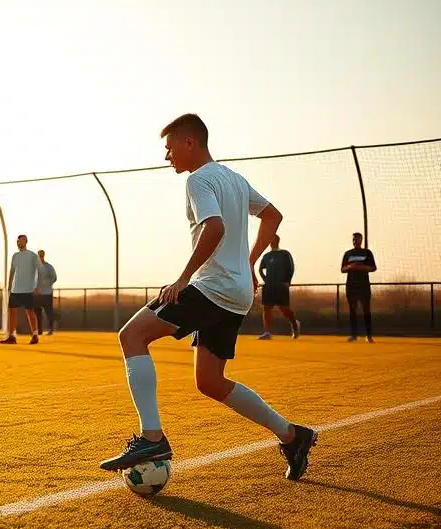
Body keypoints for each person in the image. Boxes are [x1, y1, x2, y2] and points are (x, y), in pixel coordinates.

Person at [100, 114, 317, 481]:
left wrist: (183, 278)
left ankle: (152, 437)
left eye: (169, 148)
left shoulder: (199, 179)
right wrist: (247, 262)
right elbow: (273, 216)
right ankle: (293, 436)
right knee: (210, 382)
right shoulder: (234, 178)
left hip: (212, 286)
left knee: (131, 335)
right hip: (236, 293)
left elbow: (213, 226)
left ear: (189, 143)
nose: (167, 157)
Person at [0, 234, 44, 345]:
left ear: (26, 241)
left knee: (30, 312)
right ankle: (12, 336)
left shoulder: (33, 256)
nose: (19, 243)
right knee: (12, 311)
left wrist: (38, 286)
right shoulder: (15, 256)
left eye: (21, 241)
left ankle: (35, 335)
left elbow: (40, 271)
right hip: (15, 289)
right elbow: (12, 271)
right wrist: (9, 285)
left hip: (28, 289)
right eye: (18, 241)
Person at [257, 235, 299, 339]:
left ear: (277, 241)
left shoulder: (284, 254)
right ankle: (267, 332)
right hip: (269, 286)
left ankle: (295, 325)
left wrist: (287, 281)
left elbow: (291, 268)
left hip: (281, 286)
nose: (271, 242)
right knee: (267, 308)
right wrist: (265, 279)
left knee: (284, 309)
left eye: (273, 240)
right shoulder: (267, 256)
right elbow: (260, 269)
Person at [341, 232, 376, 343]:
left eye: (357, 239)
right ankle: (353, 335)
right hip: (351, 286)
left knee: (366, 310)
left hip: (364, 285)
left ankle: (369, 336)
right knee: (352, 310)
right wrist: (350, 267)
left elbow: (373, 268)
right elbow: (342, 269)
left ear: (361, 240)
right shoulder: (348, 253)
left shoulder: (367, 253)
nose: (355, 241)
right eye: (354, 240)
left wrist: (361, 267)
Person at [33, 249, 58, 335]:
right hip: (37, 294)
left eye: (42, 255)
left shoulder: (49, 267)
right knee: (37, 313)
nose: (40, 256)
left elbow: (54, 277)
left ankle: (51, 329)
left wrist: (46, 284)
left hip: (47, 294)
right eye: (39, 255)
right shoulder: (35, 268)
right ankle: (39, 330)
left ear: (44, 255)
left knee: (49, 312)